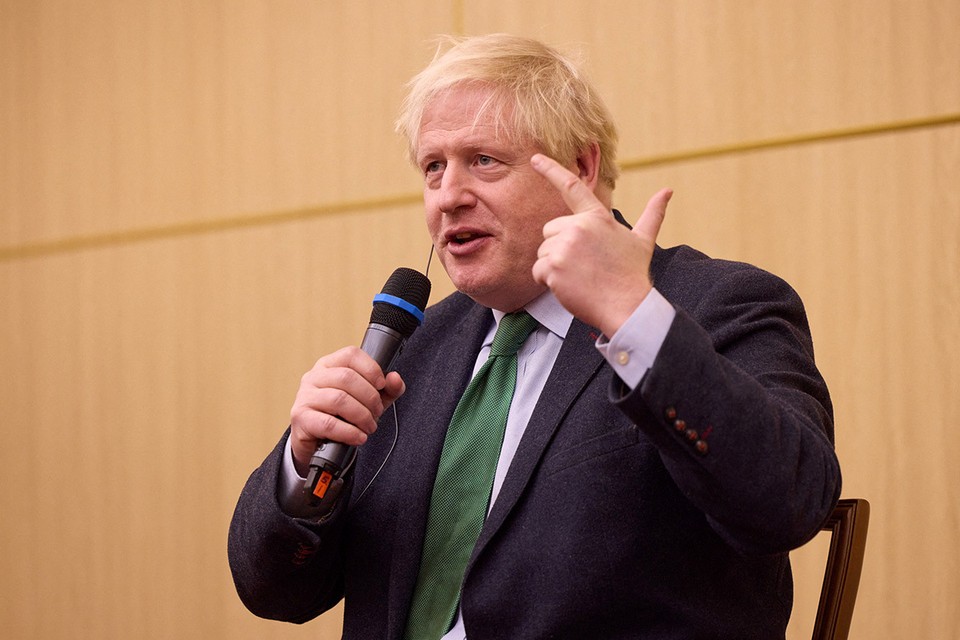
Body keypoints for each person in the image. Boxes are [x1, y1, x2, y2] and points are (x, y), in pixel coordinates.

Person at [228, 33, 841, 639]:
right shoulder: (412, 349)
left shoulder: (718, 304)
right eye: (434, 167)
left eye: (484, 160)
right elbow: (273, 591)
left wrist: (635, 321)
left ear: (580, 167)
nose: (449, 197)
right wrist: (302, 464)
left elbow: (788, 502)